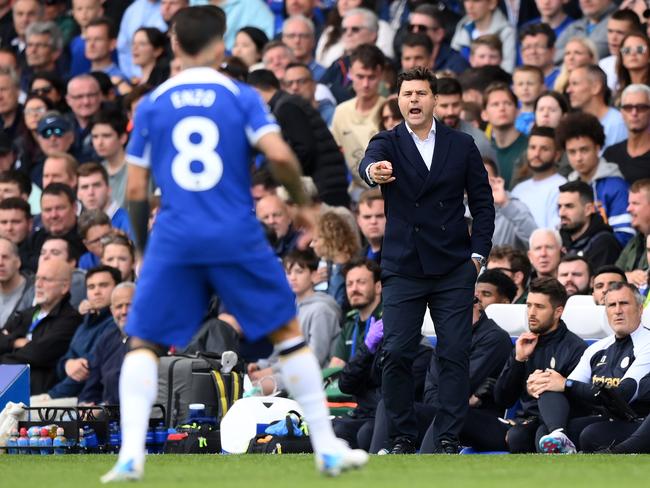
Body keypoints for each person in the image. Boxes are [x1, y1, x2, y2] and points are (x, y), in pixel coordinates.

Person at [101, 6, 368, 482]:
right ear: (220, 45)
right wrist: (306, 205)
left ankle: (130, 455)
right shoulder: (240, 95)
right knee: (287, 334)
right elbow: (281, 155)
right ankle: (327, 448)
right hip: (233, 229)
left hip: (176, 233)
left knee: (143, 342)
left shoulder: (154, 103)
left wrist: (144, 247)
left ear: (175, 46)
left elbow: (136, 190)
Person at [359, 66, 494, 454]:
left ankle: (449, 437)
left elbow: (483, 206)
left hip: (454, 266)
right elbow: (368, 164)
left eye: (420, 93)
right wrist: (373, 172)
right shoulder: (386, 142)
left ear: (434, 100)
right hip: (403, 267)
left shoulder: (462, 144)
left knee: (454, 354)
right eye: (407, 94)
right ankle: (403, 436)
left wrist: (477, 258)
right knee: (397, 352)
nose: (414, 100)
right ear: (398, 101)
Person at [469, 277, 587, 453]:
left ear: (558, 311)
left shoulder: (575, 348)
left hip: (549, 426)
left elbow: (579, 403)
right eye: (529, 305)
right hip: (515, 424)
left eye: (539, 307)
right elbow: (503, 399)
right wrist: (518, 360)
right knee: (454, 417)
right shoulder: (525, 343)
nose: (531, 313)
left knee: (517, 437)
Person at [531, 282, 650, 453]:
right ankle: (559, 436)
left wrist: (567, 384)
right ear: (606, 312)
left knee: (590, 434)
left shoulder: (647, 342)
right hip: (603, 417)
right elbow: (569, 387)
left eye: (624, 303)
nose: (617, 310)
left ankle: (564, 450)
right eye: (611, 305)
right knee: (545, 426)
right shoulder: (597, 348)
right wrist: (544, 382)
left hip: (636, 421)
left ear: (640, 309)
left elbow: (624, 394)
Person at [247, 69, 350, 207]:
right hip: (325, 182)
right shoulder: (286, 104)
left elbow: (305, 150)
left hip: (324, 187)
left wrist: (281, 173)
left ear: (255, 92)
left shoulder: (286, 107)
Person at [34, 265, 121, 404]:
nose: (96, 291)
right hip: (66, 395)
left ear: (117, 288)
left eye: (103, 285)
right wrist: (67, 363)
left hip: (89, 402)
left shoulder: (116, 324)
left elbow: (87, 369)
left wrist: (52, 396)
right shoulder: (84, 324)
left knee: (19, 413)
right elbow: (62, 364)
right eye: (91, 287)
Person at [0, 259, 81, 395]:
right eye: (37, 278)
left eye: (46, 280)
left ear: (64, 287)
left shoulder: (70, 319)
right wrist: (14, 342)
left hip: (37, 396)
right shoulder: (25, 314)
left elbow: (38, 353)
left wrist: (4, 355)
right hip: (8, 381)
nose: (38, 284)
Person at [558, 112, 634, 247]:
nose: (578, 158)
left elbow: (625, 236)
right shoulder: (568, 187)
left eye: (584, 150)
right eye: (572, 152)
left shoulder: (616, 186)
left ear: (597, 148)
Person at [330, 44, 385, 201]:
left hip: (388, 191)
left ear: (380, 74)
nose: (366, 84)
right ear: (350, 74)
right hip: (356, 192)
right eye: (360, 77)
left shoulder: (389, 109)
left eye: (371, 77)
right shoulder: (341, 112)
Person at [78, 281, 134, 406]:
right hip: (103, 413)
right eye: (119, 307)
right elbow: (93, 383)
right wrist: (85, 404)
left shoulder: (148, 340)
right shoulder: (106, 338)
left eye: (129, 305)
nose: (124, 311)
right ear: (112, 310)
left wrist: (103, 408)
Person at [558, 180, 621, 269]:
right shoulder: (559, 241)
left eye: (569, 206)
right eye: (559, 207)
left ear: (588, 209)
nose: (561, 213)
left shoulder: (604, 243)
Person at [511, 126, 566, 229]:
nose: (536, 154)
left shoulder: (562, 187)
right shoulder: (518, 189)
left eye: (544, 149)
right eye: (532, 147)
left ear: (557, 155)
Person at [565, 64, 628, 150]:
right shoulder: (574, 124)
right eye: (569, 84)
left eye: (575, 84)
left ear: (596, 87)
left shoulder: (618, 124)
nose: (568, 90)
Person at [433, 77, 495, 161]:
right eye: (444, 106)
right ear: (432, 105)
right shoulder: (418, 137)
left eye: (455, 105)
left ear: (462, 103)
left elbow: (490, 173)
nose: (450, 112)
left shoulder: (478, 141)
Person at [483, 157, 537, 251]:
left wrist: (505, 204)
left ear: (496, 180)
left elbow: (535, 240)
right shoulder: (462, 208)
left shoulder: (514, 207)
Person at [482, 82, 528, 189]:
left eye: (507, 103)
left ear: (517, 111)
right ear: (484, 114)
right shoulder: (483, 150)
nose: (502, 108)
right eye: (495, 104)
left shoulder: (530, 147)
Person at [603, 84, 650, 185]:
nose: (634, 113)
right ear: (621, 112)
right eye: (628, 107)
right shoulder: (610, 154)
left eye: (641, 107)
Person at [450, 0, 516, 72]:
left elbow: (508, 71)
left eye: (476, 1)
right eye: (466, 0)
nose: (469, 6)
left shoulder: (507, 33)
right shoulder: (462, 28)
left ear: (492, 3)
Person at [76, 162, 132, 236]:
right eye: (85, 187)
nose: (90, 192)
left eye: (96, 185)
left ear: (109, 189)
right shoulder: (77, 225)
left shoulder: (128, 222)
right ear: (78, 194)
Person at [616, 179, 650, 286]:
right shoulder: (635, 241)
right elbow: (612, 275)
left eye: (635, 203)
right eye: (629, 203)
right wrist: (628, 276)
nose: (628, 208)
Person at [599, 9, 643, 92]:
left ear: (635, 34)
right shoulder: (602, 64)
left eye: (620, 33)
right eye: (610, 31)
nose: (613, 38)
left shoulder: (642, 64)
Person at [255, 193, 300, 258]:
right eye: (265, 217)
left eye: (276, 215)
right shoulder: (253, 250)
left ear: (289, 217)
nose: (271, 221)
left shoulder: (301, 244)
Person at [519, 23, 560, 90]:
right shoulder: (516, 82)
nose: (533, 52)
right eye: (528, 47)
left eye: (539, 46)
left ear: (552, 51)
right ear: (521, 53)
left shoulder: (562, 80)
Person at [0, 197, 33, 272]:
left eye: (16, 222)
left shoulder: (40, 251)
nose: (9, 228)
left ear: (30, 223)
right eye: (4, 222)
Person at [512, 66, 545, 136]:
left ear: (542, 87)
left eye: (530, 83)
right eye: (520, 84)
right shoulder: (510, 116)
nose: (525, 88)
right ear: (513, 89)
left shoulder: (545, 116)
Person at [356, 188, 384, 264]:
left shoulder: (402, 257)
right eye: (367, 217)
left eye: (380, 216)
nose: (373, 221)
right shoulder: (357, 257)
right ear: (358, 220)